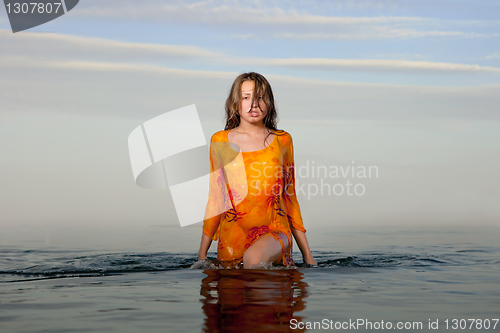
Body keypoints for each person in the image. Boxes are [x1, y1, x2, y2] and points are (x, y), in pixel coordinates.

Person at [198, 72, 316, 269]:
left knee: (253, 260)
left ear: (269, 102)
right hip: (232, 237)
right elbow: (216, 199)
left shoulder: (282, 140)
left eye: (260, 97)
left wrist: (307, 255)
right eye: (246, 97)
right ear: (235, 104)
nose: (254, 104)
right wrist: (202, 255)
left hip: (275, 232)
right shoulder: (220, 141)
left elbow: (290, 197)